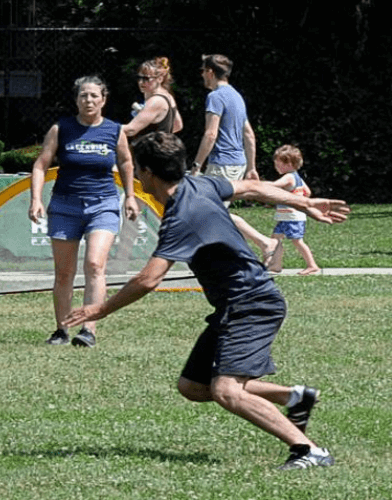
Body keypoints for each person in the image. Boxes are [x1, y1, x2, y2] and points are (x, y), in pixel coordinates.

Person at [65, 132, 350, 470]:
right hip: (234, 303)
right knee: (193, 387)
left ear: (146, 173)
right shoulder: (200, 185)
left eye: (135, 169)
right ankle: (294, 397)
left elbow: (148, 279)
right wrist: (305, 202)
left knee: (227, 391)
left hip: (251, 302)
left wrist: (100, 309)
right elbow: (252, 188)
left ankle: (308, 450)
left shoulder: (181, 215)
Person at [29, 75, 139, 348]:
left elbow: (126, 163)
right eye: (83, 96)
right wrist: (35, 199)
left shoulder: (115, 130)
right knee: (64, 273)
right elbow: (40, 165)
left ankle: (88, 329)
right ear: (76, 100)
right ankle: (62, 330)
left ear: (103, 99)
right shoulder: (61, 128)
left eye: (93, 96)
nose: (88, 100)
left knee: (94, 264)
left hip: (103, 204)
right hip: (65, 205)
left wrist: (130, 196)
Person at [189, 54, 279, 265]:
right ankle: (239, 252)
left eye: (203, 70)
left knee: (210, 212)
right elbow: (248, 133)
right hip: (236, 164)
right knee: (212, 212)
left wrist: (196, 166)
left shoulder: (216, 97)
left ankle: (264, 244)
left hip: (222, 164)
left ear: (210, 72)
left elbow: (210, 134)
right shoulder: (236, 96)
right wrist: (251, 166)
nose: (202, 75)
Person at [266, 145, 320, 275]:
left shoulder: (289, 177)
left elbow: (274, 186)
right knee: (275, 239)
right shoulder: (297, 178)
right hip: (287, 216)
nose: (276, 166)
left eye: (278, 164)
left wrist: (256, 184)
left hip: (292, 217)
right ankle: (276, 265)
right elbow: (307, 192)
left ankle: (312, 265)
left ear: (288, 163)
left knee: (297, 241)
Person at [122, 57, 183, 138]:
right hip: (162, 148)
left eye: (146, 78)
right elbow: (177, 125)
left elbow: (130, 130)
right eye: (139, 78)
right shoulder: (167, 96)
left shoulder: (156, 101)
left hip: (151, 150)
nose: (141, 82)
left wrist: (103, 128)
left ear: (160, 79)